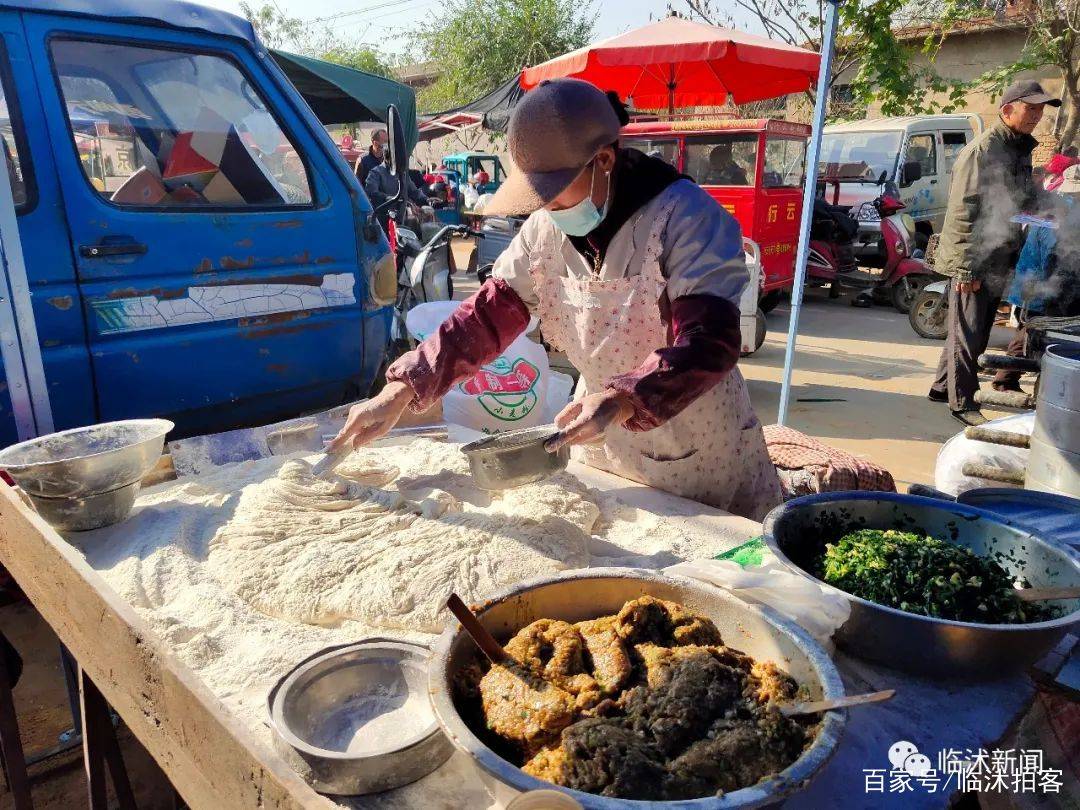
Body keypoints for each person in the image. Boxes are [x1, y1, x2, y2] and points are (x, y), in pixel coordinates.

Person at [330, 79, 782, 520]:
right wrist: (403, 386)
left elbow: (710, 341)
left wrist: (624, 399)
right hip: (600, 435)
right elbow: (486, 317)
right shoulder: (545, 229)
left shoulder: (685, 218)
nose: (544, 208)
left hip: (696, 438)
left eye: (553, 192)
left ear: (603, 159)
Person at [928, 79, 1060, 426]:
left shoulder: (1018, 149)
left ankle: (943, 387)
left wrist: (1055, 208)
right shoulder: (983, 151)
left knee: (977, 327)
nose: (1037, 116)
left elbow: (1018, 200)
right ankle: (962, 402)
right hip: (975, 257)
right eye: (1030, 108)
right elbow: (963, 211)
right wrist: (965, 270)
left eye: (1040, 109)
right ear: (1007, 110)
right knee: (969, 333)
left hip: (1000, 253)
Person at [365, 153, 428, 231]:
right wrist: (389, 198)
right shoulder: (375, 173)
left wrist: (427, 199)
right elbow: (372, 192)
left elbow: (414, 191)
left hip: (402, 219)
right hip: (383, 220)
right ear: (387, 156)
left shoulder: (403, 173)